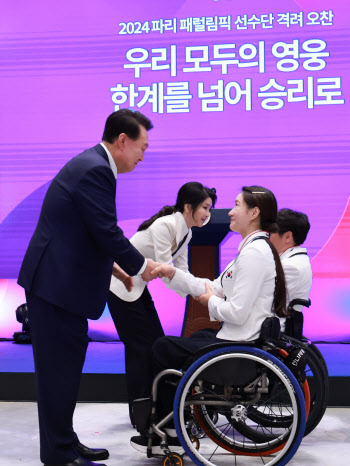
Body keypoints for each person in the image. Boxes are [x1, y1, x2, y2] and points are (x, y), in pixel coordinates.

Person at [17, 109, 158, 466]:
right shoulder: (96, 170)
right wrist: (142, 266)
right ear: (123, 141)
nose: (143, 155)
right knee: (57, 374)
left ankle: (63, 441)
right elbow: (106, 231)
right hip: (55, 288)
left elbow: (80, 231)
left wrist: (116, 271)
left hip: (62, 286)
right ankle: (59, 454)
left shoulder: (92, 165)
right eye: (142, 147)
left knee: (63, 372)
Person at [130, 185, 287, 454]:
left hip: (239, 343)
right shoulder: (252, 249)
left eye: (237, 205)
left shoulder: (253, 254)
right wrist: (172, 273)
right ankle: (176, 419)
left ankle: (166, 428)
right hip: (240, 337)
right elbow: (212, 285)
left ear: (254, 212)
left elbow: (233, 309)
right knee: (194, 338)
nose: (230, 211)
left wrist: (207, 301)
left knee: (162, 347)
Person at [108, 182, 217, 423]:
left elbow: (181, 271)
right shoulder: (166, 225)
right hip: (121, 290)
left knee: (157, 345)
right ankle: (141, 414)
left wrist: (202, 290)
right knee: (140, 351)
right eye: (205, 208)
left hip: (138, 290)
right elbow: (168, 273)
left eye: (210, 209)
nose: (208, 214)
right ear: (188, 206)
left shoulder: (186, 231)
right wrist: (203, 290)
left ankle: (156, 408)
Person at [270, 208, 312, 336]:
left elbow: (266, 300)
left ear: (287, 236)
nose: (268, 237)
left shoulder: (291, 266)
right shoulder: (295, 261)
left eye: (271, 233)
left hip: (275, 330)